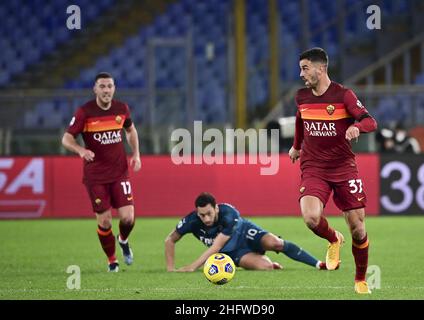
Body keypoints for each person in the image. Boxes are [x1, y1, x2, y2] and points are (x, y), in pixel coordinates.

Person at [288, 48, 378, 294]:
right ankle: (333, 239)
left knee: (358, 229)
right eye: (300, 68)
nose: (301, 74)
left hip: (343, 167)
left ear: (321, 68)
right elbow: (300, 118)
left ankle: (360, 279)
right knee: (311, 219)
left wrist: (357, 127)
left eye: (305, 68)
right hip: (314, 166)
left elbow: (371, 121)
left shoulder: (344, 95)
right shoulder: (302, 97)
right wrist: (297, 146)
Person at [61, 72, 142, 272]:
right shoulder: (84, 112)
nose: (106, 90)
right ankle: (112, 260)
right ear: (95, 89)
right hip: (96, 176)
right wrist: (81, 150)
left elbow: (130, 130)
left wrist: (136, 154)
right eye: (102, 87)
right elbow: (66, 139)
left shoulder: (121, 109)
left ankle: (123, 240)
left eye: (110, 86)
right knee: (105, 221)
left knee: (128, 218)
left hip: (119, 172)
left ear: (114, 88)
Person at [165, 192, 328, 272]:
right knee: (266, 267)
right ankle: (268, 262)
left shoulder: (229, 214)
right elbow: (170, 240)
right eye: (202, 215)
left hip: (246, 234)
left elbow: (215, 247)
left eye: (209, 213)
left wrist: (192, 267)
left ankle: (318, 264)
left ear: (216, 208)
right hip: (233, 252)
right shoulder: (192, 220)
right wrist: (170, 269)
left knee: (276, 243)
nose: (206, 219)